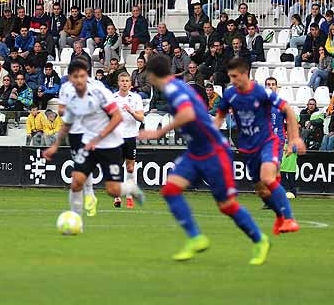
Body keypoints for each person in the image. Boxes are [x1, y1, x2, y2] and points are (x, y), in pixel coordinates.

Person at [138, 54, 270, 265]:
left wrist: (158, 133)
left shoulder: (173, 90)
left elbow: (188, 113)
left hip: (214, 152)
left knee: (227, 206)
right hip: (196, 152)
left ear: (152, 75)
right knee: (171, 190)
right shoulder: (176, 87)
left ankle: (259, 239)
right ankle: (195, 237)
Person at [43, 61, 144, 223]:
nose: (79, 80)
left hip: (109, 142)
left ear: (87, 76)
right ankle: (76, 220)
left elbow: (117, 117)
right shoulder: (71, 95)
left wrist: (99, 137)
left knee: (113, 190)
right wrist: (55, 145)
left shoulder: (100, 92)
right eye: (74, 77)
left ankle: (130, 187)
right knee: (76, 182)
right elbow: (67, 122)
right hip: (86, 141)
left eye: (82, 76)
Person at [214, 58, 304, 234]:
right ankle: (280, 217)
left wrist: (294, 139)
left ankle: (289, 219)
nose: (232, 80)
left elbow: (288, 110)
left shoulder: (262, 93)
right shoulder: (230, 94)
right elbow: (219, 117)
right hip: (249, 148)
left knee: (268, 177)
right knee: (262, 190)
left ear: (245, 74)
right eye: (229, 77)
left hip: (268, 142)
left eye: (234, 76)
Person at [112, 71, 146, 208]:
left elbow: (142, 118)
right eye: (122, 81)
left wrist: (131, 111)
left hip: (130, 136)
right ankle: (117, 196)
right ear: (118, 83)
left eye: (127, 81)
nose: (124, 83)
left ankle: (129, 194)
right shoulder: (113, 98)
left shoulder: (136, 98)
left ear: (130, 84)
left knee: (130, 167)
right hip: (117, 137)